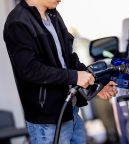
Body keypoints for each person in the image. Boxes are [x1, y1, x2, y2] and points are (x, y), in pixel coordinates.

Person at [3, 0, 118, 143]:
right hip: (47, 122)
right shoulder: (17, 23)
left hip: (71, 111)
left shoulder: (53, 16)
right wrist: (74, 77)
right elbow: (30, 70)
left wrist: (96, 86)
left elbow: (70, 60)